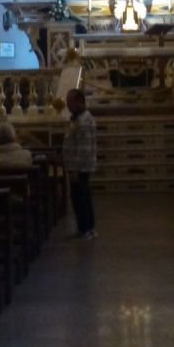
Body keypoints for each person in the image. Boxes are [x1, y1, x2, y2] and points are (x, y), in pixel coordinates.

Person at [62, 87, 97, 238]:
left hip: (80, 167)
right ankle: (84, 227)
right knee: (79, 196)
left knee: (81, 197)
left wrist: (75, 169)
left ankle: (86, 229)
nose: (67, 104)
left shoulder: (84, 121)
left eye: (70, 101)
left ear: (79, 101)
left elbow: (84, 148)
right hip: (76, 165)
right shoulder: (77, 118)